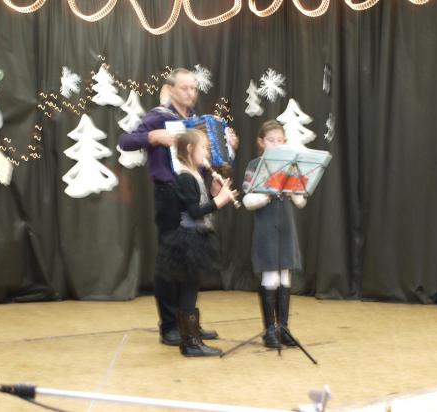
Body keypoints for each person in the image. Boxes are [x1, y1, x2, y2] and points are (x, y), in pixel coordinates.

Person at [119, 68, 237, 346]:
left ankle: (189, 324)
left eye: (194, 88)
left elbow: (207, 160)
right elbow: (125, 141)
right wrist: (153, 137)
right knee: (171, 264)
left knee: (190, 263)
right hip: (169, 194)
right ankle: (170, 326)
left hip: (193, 192)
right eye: (185, 88)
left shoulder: (197, 122)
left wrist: (228, 147)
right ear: (170, 89)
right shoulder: (159, 117)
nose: (191, 93)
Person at [159, 129, 237, 356]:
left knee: (191, 289)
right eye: (204, 148)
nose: (207, 153)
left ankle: (192, 338)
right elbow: (194, 212)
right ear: (190, 149)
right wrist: (219, 201)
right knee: (189, 289)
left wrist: (213, 194)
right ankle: (191, 343)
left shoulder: (193, 174)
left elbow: (200, 205)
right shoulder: (184, 176)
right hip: (188, 239)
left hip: (195, 237)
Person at [242, 120, 307, 349]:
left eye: (280, 140)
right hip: (267, 226)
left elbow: (300, 201)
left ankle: (284, 328)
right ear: (261, 142)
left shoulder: (291, 167)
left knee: (285, 277)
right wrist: (269, 192)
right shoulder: (255, 165)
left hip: (286, 226)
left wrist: (295, 190)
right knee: (270, 275)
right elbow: (247, 200)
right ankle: (269, 330)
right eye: (271, 140)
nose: (276, 144)